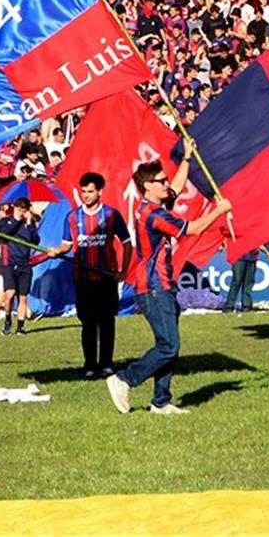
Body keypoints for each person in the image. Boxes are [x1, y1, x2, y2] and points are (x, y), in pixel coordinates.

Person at [105, 159, 233, 415]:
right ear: (147, 186)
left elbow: (176, 185)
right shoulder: (154, 214)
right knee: (169, 346)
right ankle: (124, 379)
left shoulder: (153, 205)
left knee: (168, 344)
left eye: (165, 179)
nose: (167, 185)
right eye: (161, 181)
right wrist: (220, 209)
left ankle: (161, 401)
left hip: (162, 285)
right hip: (153, 288)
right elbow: (194, 229)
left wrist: (186, 159)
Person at [47, 172, 132, 376]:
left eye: (90, 191)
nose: (86, 195)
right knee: (88, 324)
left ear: (100, 192)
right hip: (83, 280)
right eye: (83, 191)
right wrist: (56, 251)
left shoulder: (111, 215)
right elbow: (66, 245)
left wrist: (123, 270)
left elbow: (127, 243)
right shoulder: (73, 217)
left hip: (106, 279)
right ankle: (90, 365)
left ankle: (107, 364)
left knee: (107, 323)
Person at [0, 199, 40, 337]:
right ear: (14, 208)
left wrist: (30, 224)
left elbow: (35, 240)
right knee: (10, 294)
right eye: (19, 209)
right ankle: (8, 320)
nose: (22, 212)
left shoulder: (28, 225)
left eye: (24, 209)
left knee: (23, 297)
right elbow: (6, 232)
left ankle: (21, 326)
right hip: (9, 263)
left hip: (24, 263)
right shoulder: (5, 221)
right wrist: (18, 220)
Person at [224, 248, 258, 313]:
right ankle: (229, 306)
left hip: (252, 257)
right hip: (239, 257)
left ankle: (246, 306)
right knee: (236, 282)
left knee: (248, 284)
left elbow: (263, 239)